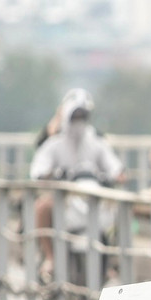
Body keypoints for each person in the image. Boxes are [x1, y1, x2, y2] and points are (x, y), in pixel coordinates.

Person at [28, 89, 125, 276]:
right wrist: (48, 175)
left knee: (122, 206)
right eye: (75, 116)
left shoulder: (97, 141)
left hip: (93, 194)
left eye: (82, 116)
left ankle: (112, 257)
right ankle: (50, 257)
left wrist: (118, 174)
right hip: (62, 196)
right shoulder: (54, 142)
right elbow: (38, 169)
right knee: (42, 207)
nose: (78, 121)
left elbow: (113, 165)